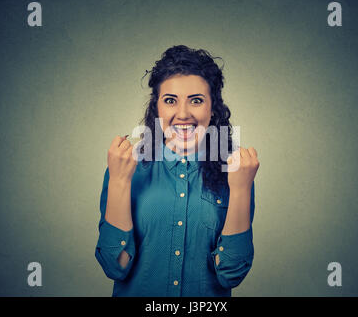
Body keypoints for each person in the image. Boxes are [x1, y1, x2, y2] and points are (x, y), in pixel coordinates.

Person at [95, 45, 260, 296]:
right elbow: (114, 266)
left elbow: (231, 273)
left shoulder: (236, 172)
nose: (183, 114)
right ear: (157, 107)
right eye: (170, 100)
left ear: (212, 107)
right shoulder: (126, 168)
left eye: (196, 100)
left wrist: (241, 189)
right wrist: (118, 180)